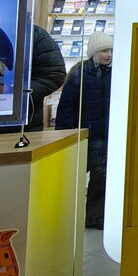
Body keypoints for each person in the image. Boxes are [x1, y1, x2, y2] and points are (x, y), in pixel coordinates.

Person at [56, 31, 113, 229]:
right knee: (76, 177)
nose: (109, 54)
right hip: (84, 134)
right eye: (104, 50)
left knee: (100, 175)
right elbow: (66, 107)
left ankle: (95, 217)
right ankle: (65, 216)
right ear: (94, 52)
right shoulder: (78, 74)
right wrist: (64, 135)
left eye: (111, 50)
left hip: (103, 134)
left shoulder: (114, 74)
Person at [26, 25, 66, 132]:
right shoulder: (34, 33)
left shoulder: (34, 33)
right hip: (26, 122)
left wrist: (19, 93)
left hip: (25, 125)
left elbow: (54, 74)